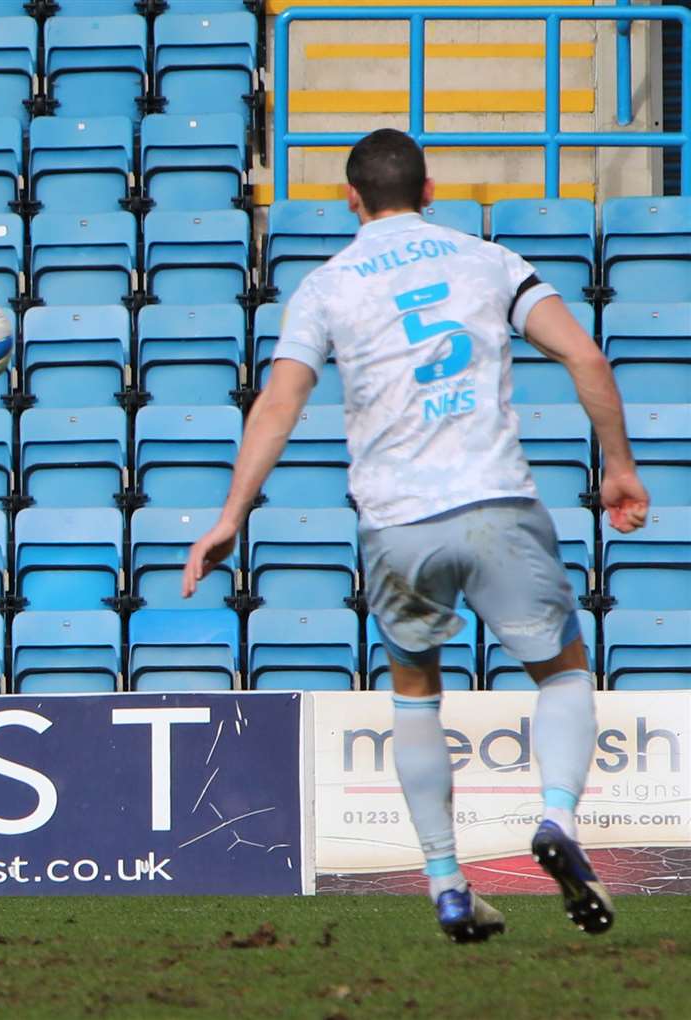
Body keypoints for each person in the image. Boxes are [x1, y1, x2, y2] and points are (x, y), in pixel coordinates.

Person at [180, 129, 650, 942]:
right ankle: (557, 821)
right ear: (431, 190)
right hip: (497, 503)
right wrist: (619, 467)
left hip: (398, 524)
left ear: (350, 199)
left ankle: (446, 883)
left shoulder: (325, 287)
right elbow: (587, 358)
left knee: (416, 695)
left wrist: (231, 514)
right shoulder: (490, 260)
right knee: (564, 673)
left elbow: (280, 404)